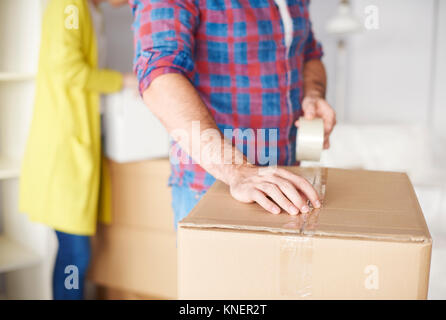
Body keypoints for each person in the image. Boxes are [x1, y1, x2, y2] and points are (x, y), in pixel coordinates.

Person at [130, 0, 336, 228]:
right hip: (215, 185)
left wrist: (314, 94)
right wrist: (236, 169)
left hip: (286, 180)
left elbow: (308, 53)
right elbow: (159, 77)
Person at [19, 0, 136, 300]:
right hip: (63, 151)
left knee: (74, 251)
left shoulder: (89, 10)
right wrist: (125, 81)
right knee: (75, 253)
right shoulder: (69, 7)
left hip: (76, 147)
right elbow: (69, 69)